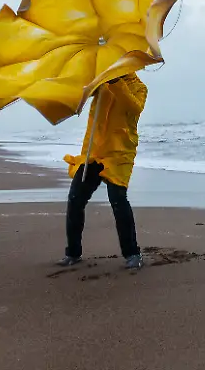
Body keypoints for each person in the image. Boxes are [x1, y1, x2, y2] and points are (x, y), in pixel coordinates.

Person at [57, 72, 148, 270]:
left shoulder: (139, 87)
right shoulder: (100, 83)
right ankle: (73, 253)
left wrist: (115, 82)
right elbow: (79, 96)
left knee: (117, 199)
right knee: (75, 199)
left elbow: (133, 107)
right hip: (94, 152)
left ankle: (133, 253)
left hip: (119, 153)